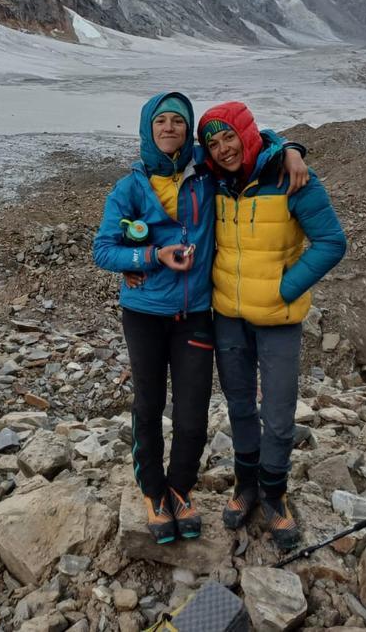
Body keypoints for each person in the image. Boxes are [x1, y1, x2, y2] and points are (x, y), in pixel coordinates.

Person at [93, 92, 308, 545]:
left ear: (186, 130)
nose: (169, 128)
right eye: (161, 121)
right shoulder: (130, 187)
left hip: (194, 315)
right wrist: (152, 255)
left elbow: (245, 145)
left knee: (192, 415)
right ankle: (154, 493)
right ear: (148, 129)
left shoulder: (204, 173)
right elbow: (104, 250)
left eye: (177, 121)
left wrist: (291, 147)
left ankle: (180, 490)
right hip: (146, 314)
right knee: (149, 408)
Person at [197, 100, 347, 551]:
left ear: (247, 133)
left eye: (230, 137)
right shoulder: (214, 181)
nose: (223, 149)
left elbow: (331, 241)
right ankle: (246, 485)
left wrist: (286, 287)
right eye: (214, 141)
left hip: (278, 319)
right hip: (227, 314)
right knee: (240, 405)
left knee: (279, 413)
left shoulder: (292, 177)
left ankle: (275, 494)